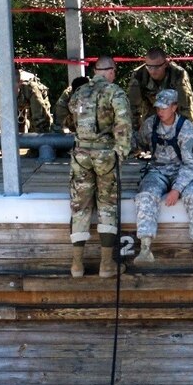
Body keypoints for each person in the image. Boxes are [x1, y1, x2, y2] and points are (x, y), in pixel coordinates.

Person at [67, 56, 132, 278]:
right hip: (105, 156)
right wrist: (120, 154)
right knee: (107, 206)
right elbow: (123, 125)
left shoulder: (78, 92)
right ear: (111, 71)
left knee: (80, 206)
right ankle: (106, 265)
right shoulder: (115, 92)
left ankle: (76, 266)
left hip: (80, 155)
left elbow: (68, 120)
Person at [131, 89, 193, 274]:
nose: (160, 111)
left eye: (164, 108)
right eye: (158, 107)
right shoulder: (151, 124)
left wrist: (177, 189)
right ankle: (145, 248)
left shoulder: (186, 128)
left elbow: (190, 165)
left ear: (174, 107)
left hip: (183, 171)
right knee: (145, 194)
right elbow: (138, 143)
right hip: (158, 170)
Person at [127, 48, 193, 130]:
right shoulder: (138, 75)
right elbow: (133, 107)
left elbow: (185, 106)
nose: (153, 71)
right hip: (151, 113)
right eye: (149, 67)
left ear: (166, 64)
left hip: (174, 113)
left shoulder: (178, 74)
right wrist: (135, 133)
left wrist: (188, 130)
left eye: (157, 67)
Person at [0, 68, 54, 133]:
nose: (9, 91)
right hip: (17, 99)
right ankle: (24, 124)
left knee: (42, 125)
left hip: (30, 98)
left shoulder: (31, 89)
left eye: (12, 88)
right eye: (7, 88)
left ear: (20, 83)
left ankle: (28, 125)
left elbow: (41, 119)